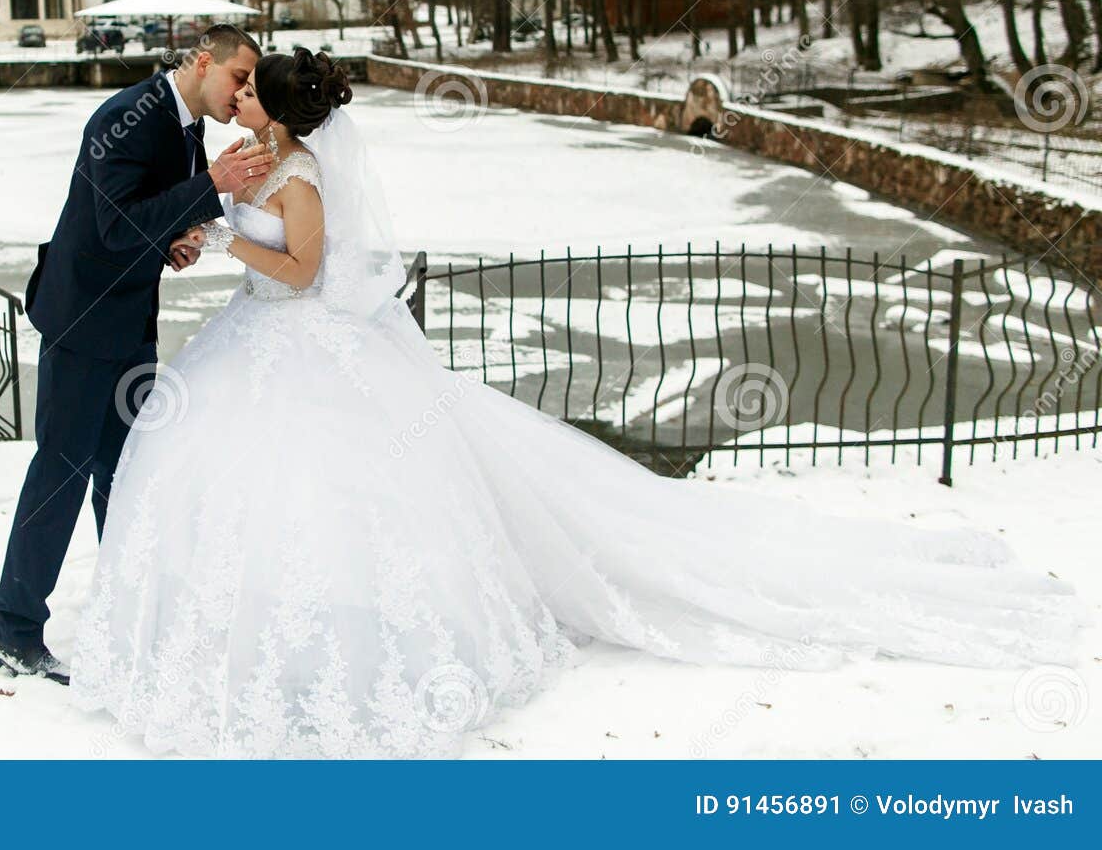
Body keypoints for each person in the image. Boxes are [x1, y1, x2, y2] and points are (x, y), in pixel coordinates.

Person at [63, 48, 1091, 758]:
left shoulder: (301, 180)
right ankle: (251, 634)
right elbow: (245, 236)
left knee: (333, 500)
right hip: (259, 350)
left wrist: (229, 237)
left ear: (276, 110)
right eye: (234, 87)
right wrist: (203, 223)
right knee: (264, 497)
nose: (232, 96)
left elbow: (298, 273)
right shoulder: (259, 159)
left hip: (304, 344)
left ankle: (347, 641)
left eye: (247, 91)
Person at [0, 24, 275, 682]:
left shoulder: (187, 128)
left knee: (126, 472)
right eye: (238, 78)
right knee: (61, 471)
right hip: (83, 323)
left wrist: (173, 243)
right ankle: (12, 627)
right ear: (205, 62)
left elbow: (138, 220)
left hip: (129, 322)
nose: (241, 94)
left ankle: (125, 612)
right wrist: (214, 184)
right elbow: (112, 223)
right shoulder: (124, 117)